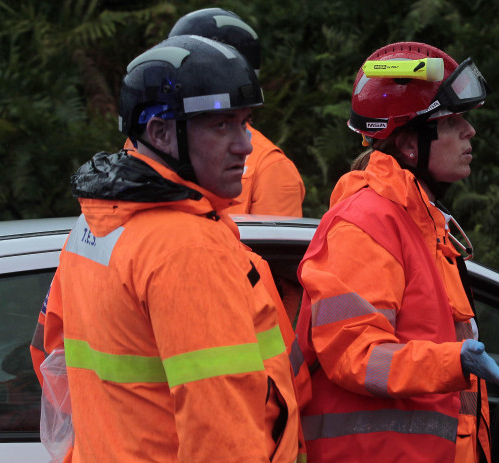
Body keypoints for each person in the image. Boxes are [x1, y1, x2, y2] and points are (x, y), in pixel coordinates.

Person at [29, 35, 302, 462]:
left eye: (245, 122)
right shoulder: (187, 249)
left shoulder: (94, 224)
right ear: (160, 132)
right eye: (221, 124)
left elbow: (50, 358)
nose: (245, 144)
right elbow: (223, 438)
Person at [292, 42, 499, 463]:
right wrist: (454, 361)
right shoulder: (367, 223)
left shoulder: (418, 220)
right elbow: (357, 356)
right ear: (408, 143)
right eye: (452, 120)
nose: (469, 131)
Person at [125, 8, 306, 218]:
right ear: (159, 133)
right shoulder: (142, 143)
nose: (243, 148)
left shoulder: (270, 168)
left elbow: (276, 249)